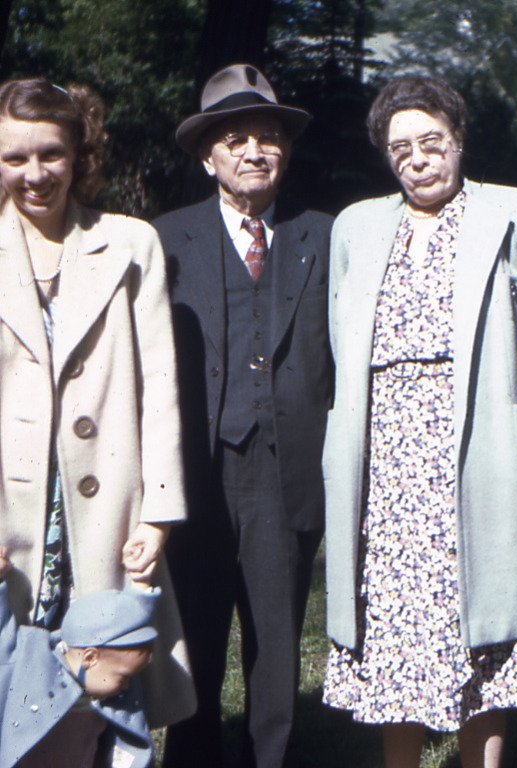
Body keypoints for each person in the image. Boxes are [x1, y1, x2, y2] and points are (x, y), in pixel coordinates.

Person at [322, 74, 517, 768]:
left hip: (478, 444)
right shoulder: (358, 226)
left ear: (459, 141)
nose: (419, 158)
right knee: (393, 622)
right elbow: (344, 344)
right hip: (387, 461)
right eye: (400, 148)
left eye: (433, 142)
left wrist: (509, 418)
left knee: (483, 621)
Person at [153, 64, 333, 768]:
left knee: (277, 647)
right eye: (236, 139)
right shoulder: (165, 239)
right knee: (192, 638)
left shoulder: (323, 234)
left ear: (284, 152)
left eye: (268, 137)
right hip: (195, 472)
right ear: (208, 157)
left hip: (287, 470)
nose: (254, 150)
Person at [0, 76, 194, 730]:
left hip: (107, 512)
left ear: (79, 154)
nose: (35, 174)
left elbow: (160, 388)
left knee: (104, 684)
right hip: (10, 516)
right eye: (14, 158)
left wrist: (158, 513)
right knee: (9, 688)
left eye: (50, 154)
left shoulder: (131, 243)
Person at [0, 546, 160, 768]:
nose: (127, 686)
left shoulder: (103, 693)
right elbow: (2, 635)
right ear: (90, 658)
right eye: (123, 677)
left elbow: (131, 623)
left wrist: (141, 587)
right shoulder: (34, 662)